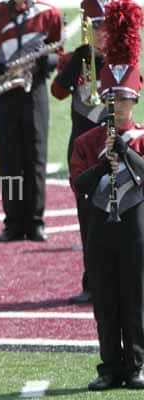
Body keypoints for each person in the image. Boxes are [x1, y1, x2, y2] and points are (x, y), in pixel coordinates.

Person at [70, 0, 144, 391]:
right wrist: (103, 163)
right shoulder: (87, 140)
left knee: (135, 295)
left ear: (134, 101)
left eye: (125, 101)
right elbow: (78, 184)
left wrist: (127, 153)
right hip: (100, 225)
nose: (118, 108)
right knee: (105, 296)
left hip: (136, 226)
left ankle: (136, 364)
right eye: (112, 101)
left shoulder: (142, 138)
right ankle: (110, 365)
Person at [0, 0, 63, 242]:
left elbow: (60, 53)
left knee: (36, 156)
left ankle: (35, 222)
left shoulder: (50, 13)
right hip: (5, 93)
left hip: (34, 91)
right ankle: (13, 223)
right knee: (8, 159)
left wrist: (48, 62)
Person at [51, 0, 108, 305]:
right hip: (82, 148)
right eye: (97, 26)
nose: (103, 33)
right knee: (87, 217)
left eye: (107, 27)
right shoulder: (78, 58)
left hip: (113, 145)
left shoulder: (123, 59)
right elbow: (58, 92)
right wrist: (77, 63)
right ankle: (92, 282)